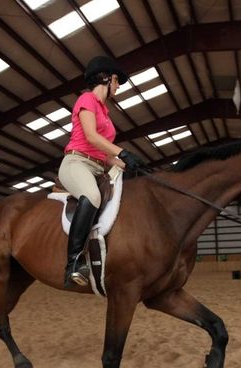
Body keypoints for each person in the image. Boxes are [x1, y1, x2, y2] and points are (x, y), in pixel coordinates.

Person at [58, 55, 147, 288]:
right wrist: (123, 152)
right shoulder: (86, 99)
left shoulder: (104, 112)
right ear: (107, 78)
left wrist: (124, 163)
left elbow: (103, 153)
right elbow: (90, 137)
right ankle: (74, 263)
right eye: (117, 81)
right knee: (93, 196)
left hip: (98, 166)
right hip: (76, 163)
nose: (118, 86)